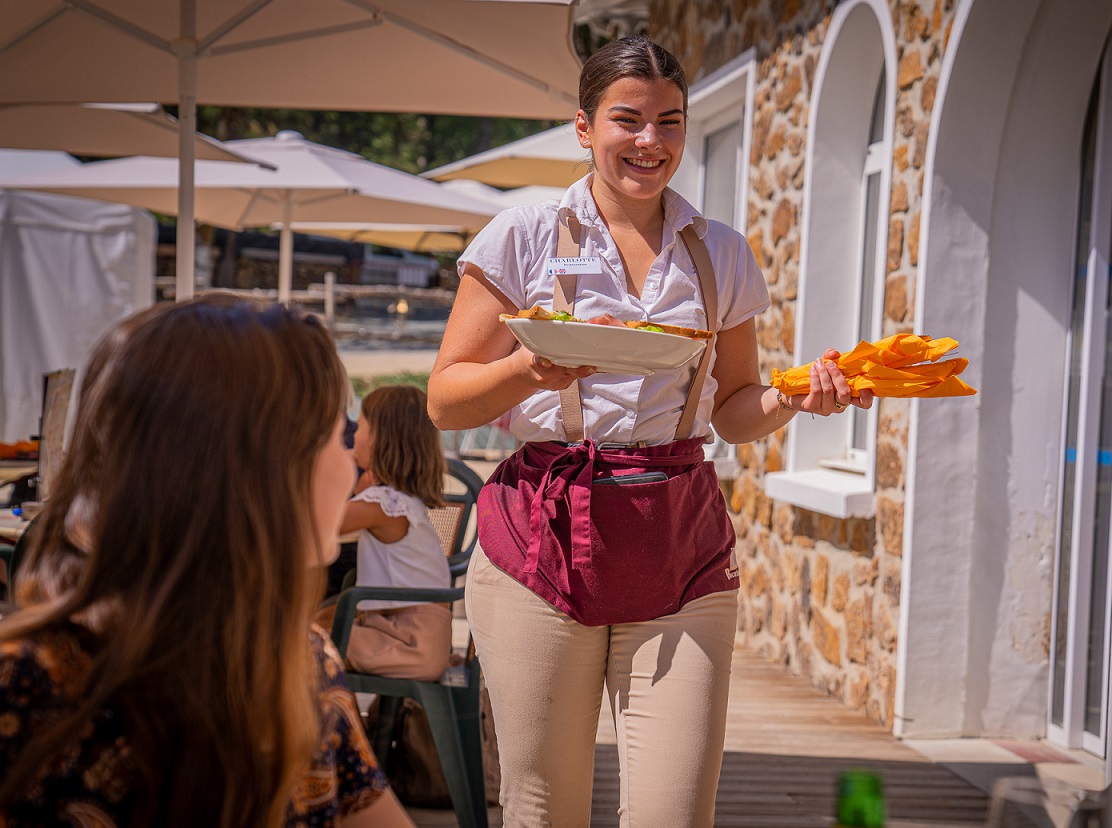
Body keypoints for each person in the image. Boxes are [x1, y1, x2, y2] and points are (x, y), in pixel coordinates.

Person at [427, 34, 874, 827]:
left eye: (669, 122)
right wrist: (532, 370)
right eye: (627, 120)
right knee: (543, 809)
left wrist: (793, 400)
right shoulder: (523, 235)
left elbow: (734, 408)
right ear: (584, 126)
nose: (650, 142)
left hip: (679, 539)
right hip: (542, 532)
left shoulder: (721, 253)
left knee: (678, 812)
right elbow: (447, 400)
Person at [0, 296, 414, 827]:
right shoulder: (30, 687)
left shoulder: (297, 656)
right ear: (262, 467)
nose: (349, 453)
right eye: (339, 433)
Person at [334, 384, 452, 681]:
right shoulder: (398, 501)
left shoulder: (383, 504)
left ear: (377, 441)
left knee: (301, 644)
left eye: (360, 426)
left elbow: (316, 525)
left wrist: (338, 467)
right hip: (417, 638)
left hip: (406, 643)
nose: (354, 436)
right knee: (318, 624)